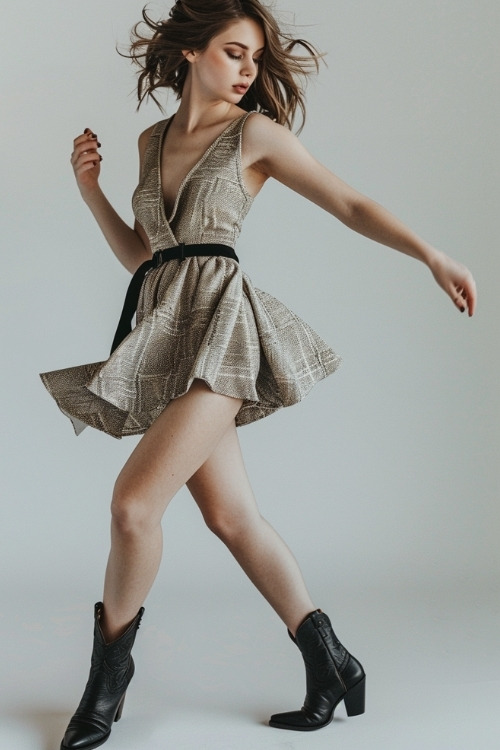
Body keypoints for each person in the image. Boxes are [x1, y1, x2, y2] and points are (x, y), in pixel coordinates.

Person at [40, 1, 477, 748]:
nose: (248, 70)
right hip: (167, 336)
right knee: (230, 518)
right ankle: (332, 662)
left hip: (225, 339)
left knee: (133, 505)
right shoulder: (151, 141)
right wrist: (91, 193)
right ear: (189, 52)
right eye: (234, 53)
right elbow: (149, 262)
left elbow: (350, 202)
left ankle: (104, 689)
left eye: (254, 58)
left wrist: (431, 254)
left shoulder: (255, 136)